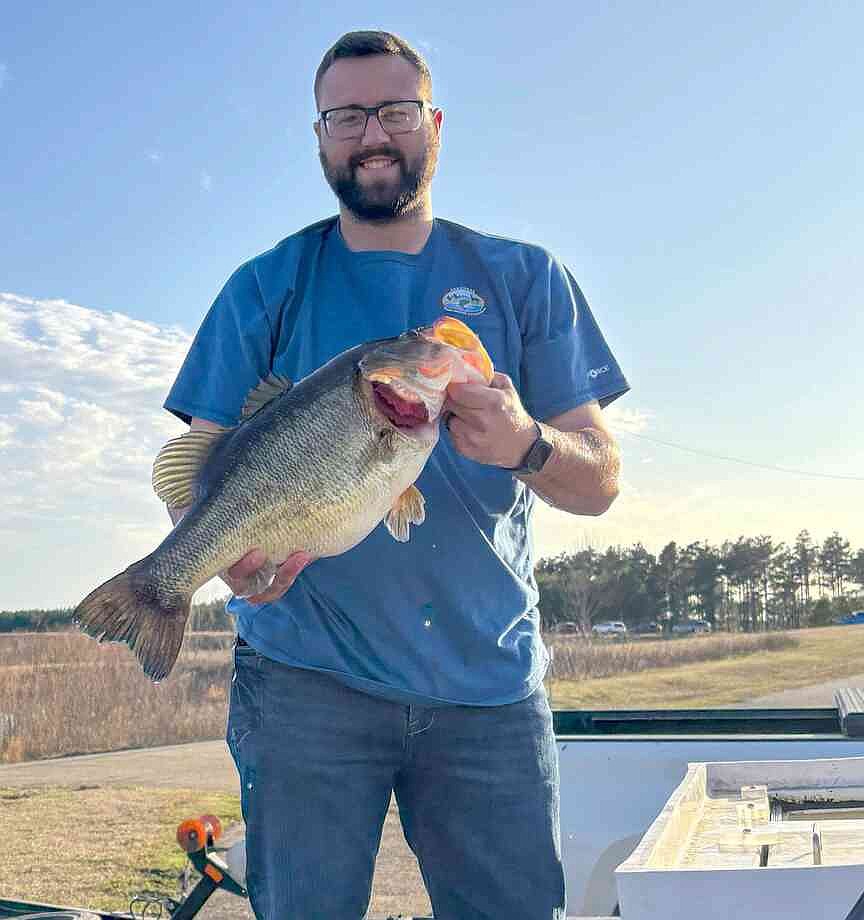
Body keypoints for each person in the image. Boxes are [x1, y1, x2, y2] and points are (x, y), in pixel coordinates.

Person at [164, 30, 629, 920]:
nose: (372, 133)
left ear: (436, 125)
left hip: (488, 687)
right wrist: (224, 556)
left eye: (395, 111)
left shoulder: (526, 278)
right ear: (320, 137)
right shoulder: (264, 286)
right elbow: (202, 469)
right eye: (346, 115)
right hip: (305, 683)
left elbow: (601, 477)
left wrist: (528, 443)